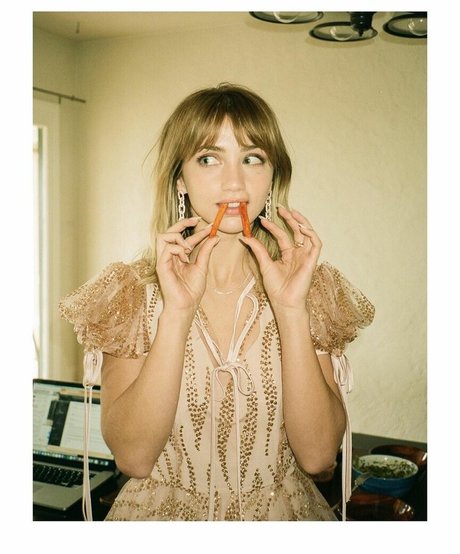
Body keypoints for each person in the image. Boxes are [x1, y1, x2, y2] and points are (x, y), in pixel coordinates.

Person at [60, 83, 374, 521]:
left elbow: (319, 455)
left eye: (252, 158)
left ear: (272, 176)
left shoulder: (310, 288)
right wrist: (177, 313)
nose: (234, 182)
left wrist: (290, 312)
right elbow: (134, 457)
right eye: (209, 158)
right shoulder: (130, 294)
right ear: (180, 179)